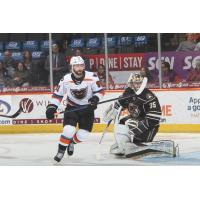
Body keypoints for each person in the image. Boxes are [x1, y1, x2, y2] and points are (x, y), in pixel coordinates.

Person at [45, 56, 104, 162]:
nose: (79, 68)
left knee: (83, 135)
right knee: (68, 130)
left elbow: (100, 91)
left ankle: (71, 143)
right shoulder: (66, 80)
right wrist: (51, 107)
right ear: (72, 67)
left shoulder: (92, 77)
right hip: (72, 108)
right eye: (76, 66)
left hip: (87, 109)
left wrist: (95, 99)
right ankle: (60, 151)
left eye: (81, 65)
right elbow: (57, 95)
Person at [103, 71, 161, 156]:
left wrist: (143, 125)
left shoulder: (148, 96)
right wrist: (114, 109)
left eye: (139, 83)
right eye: (135, 83)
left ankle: (144, 144)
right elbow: (120, 103)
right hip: (137, 118)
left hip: (150, 125)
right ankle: (123, 144)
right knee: (122, 122)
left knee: (139, 140)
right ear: (132, 83)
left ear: (143, 83)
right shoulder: (128, 92)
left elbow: (155, 116)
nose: (137, 85)